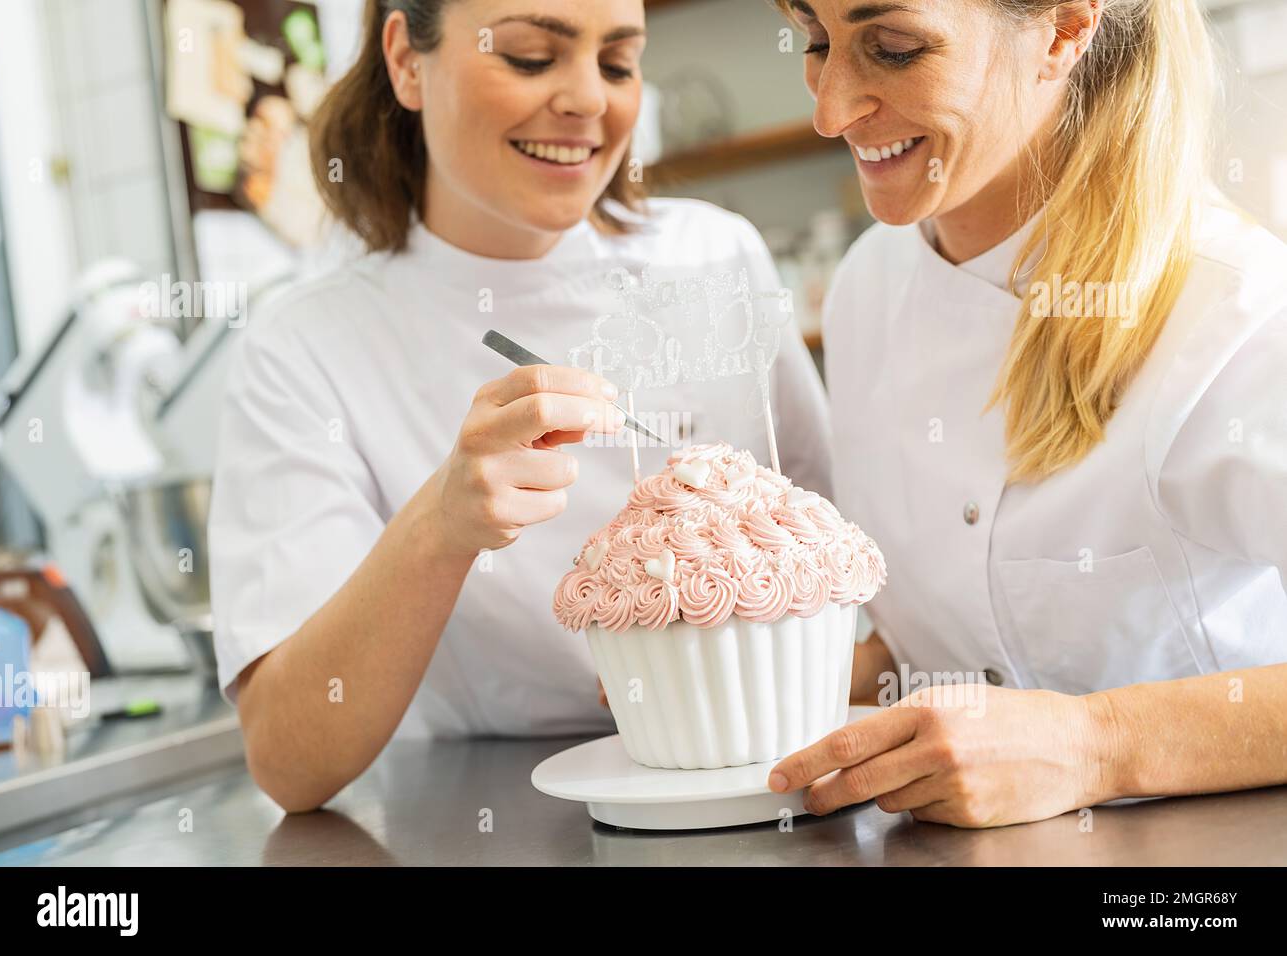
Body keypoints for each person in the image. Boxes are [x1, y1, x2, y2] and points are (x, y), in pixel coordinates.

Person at [208, 0, 834, 813]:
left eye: (617, 62)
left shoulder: (716, 257)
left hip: (756, 786)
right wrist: (440, 525)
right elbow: (291, 760)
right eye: (532, 57)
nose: (587, 100)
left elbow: (840, 572)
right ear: (406, 61)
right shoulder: (305, 344)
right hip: (479, 819)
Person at [767, 0, 1287, 827]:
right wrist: (751, 676)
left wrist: (1097, 742)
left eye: (892, 49)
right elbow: (953, 629)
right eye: (817, 43)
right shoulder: (870, 283)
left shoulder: (1238, 306)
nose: (830, 110)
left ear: (1063, 30)